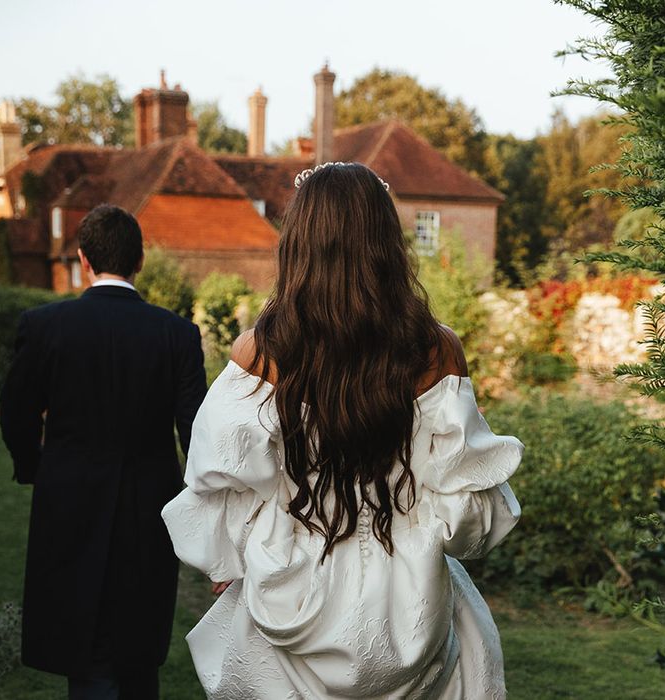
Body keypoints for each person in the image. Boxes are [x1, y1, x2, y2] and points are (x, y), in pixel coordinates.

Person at [162, 162, 523, 699]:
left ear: (299, 244)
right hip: (408, 597)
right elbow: (466, 508)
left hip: (293, 588)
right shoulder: (434, 350)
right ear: (385, 241)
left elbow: (224, 478)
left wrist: (232, 555)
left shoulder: (261, 353)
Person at [0, 204, 207, 700]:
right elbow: (197, 434)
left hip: (69, 505)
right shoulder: (176, 333)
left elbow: (15, 412)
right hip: (150, 511)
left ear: (83, 260)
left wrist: (36, 469)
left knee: (89, 652)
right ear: (138, 262)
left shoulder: (46, 325)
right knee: (137, 650)